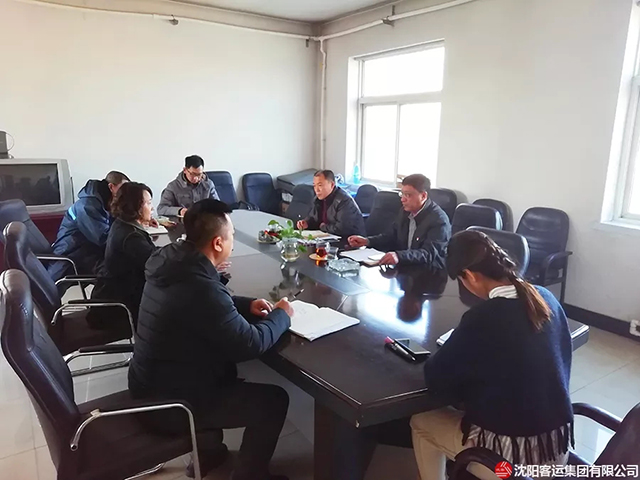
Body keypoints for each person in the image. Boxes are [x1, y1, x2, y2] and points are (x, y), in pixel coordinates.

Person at [129, 199, 293, 480]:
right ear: (218, 243)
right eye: (231, 236)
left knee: (217, 370)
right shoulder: (200, 286)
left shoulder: (174, 262)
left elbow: (202, 303)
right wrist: (282, 315)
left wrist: (246, 304)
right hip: (172, 404)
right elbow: (250, 344)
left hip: (148, 383)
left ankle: (208, 452)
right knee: (274, 400)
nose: (233, 242)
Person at [411, 230, 573, 480]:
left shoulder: (483, 318)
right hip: (556, 448)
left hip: (508, 466)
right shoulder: (545, 297)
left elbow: (436, 380)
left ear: (469, 275)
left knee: (422, 421)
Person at [86, 182, 157, 330]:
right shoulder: (131, 236)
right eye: (149, 203)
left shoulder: (122, 224)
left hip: (115, 298)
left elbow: (152, 255)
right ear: (135, 207)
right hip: (118, 309)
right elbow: (156, 264)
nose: (152, 208)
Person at [347, 174, 451, 268]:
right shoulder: (405, 212)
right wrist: (367, 241)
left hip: (429, 272)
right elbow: (390, 236)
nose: (403, 199)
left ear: (423, 196)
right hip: (405, 267)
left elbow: (428, 254)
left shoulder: (439, 220)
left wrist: (399, 256)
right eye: (402, 194)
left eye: (408, 195)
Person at [50, 171, 130, 281]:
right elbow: (103, 238)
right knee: (119, 270)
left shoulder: (104, 202)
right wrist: (129, 239)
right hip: (74, 252)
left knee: (127, 263)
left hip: (89, 249)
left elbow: (116, 226)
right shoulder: (87, 205)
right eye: (123, 189)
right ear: (111, 187)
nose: (125, 194)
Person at [296, 170, 366, 237]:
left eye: (320, 185)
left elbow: (341, 229)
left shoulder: (343, 201)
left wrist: (323, 227)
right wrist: (306, 223)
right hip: (328, 237)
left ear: (332, 185)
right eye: (314, 186)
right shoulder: (318, 199)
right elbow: (314, 218)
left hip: (350, 240)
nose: (316, 190)